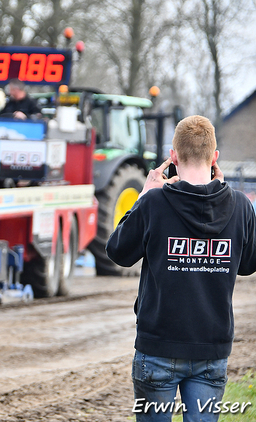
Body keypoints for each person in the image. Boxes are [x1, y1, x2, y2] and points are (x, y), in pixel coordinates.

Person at [106, 115, 256, 422]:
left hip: (158, 345)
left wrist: (144, 195)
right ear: (214, 157)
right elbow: (248, 265)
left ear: (173, 156)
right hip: (211, 348)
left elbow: (118, 252)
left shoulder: (153, 203)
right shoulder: (240, 206)